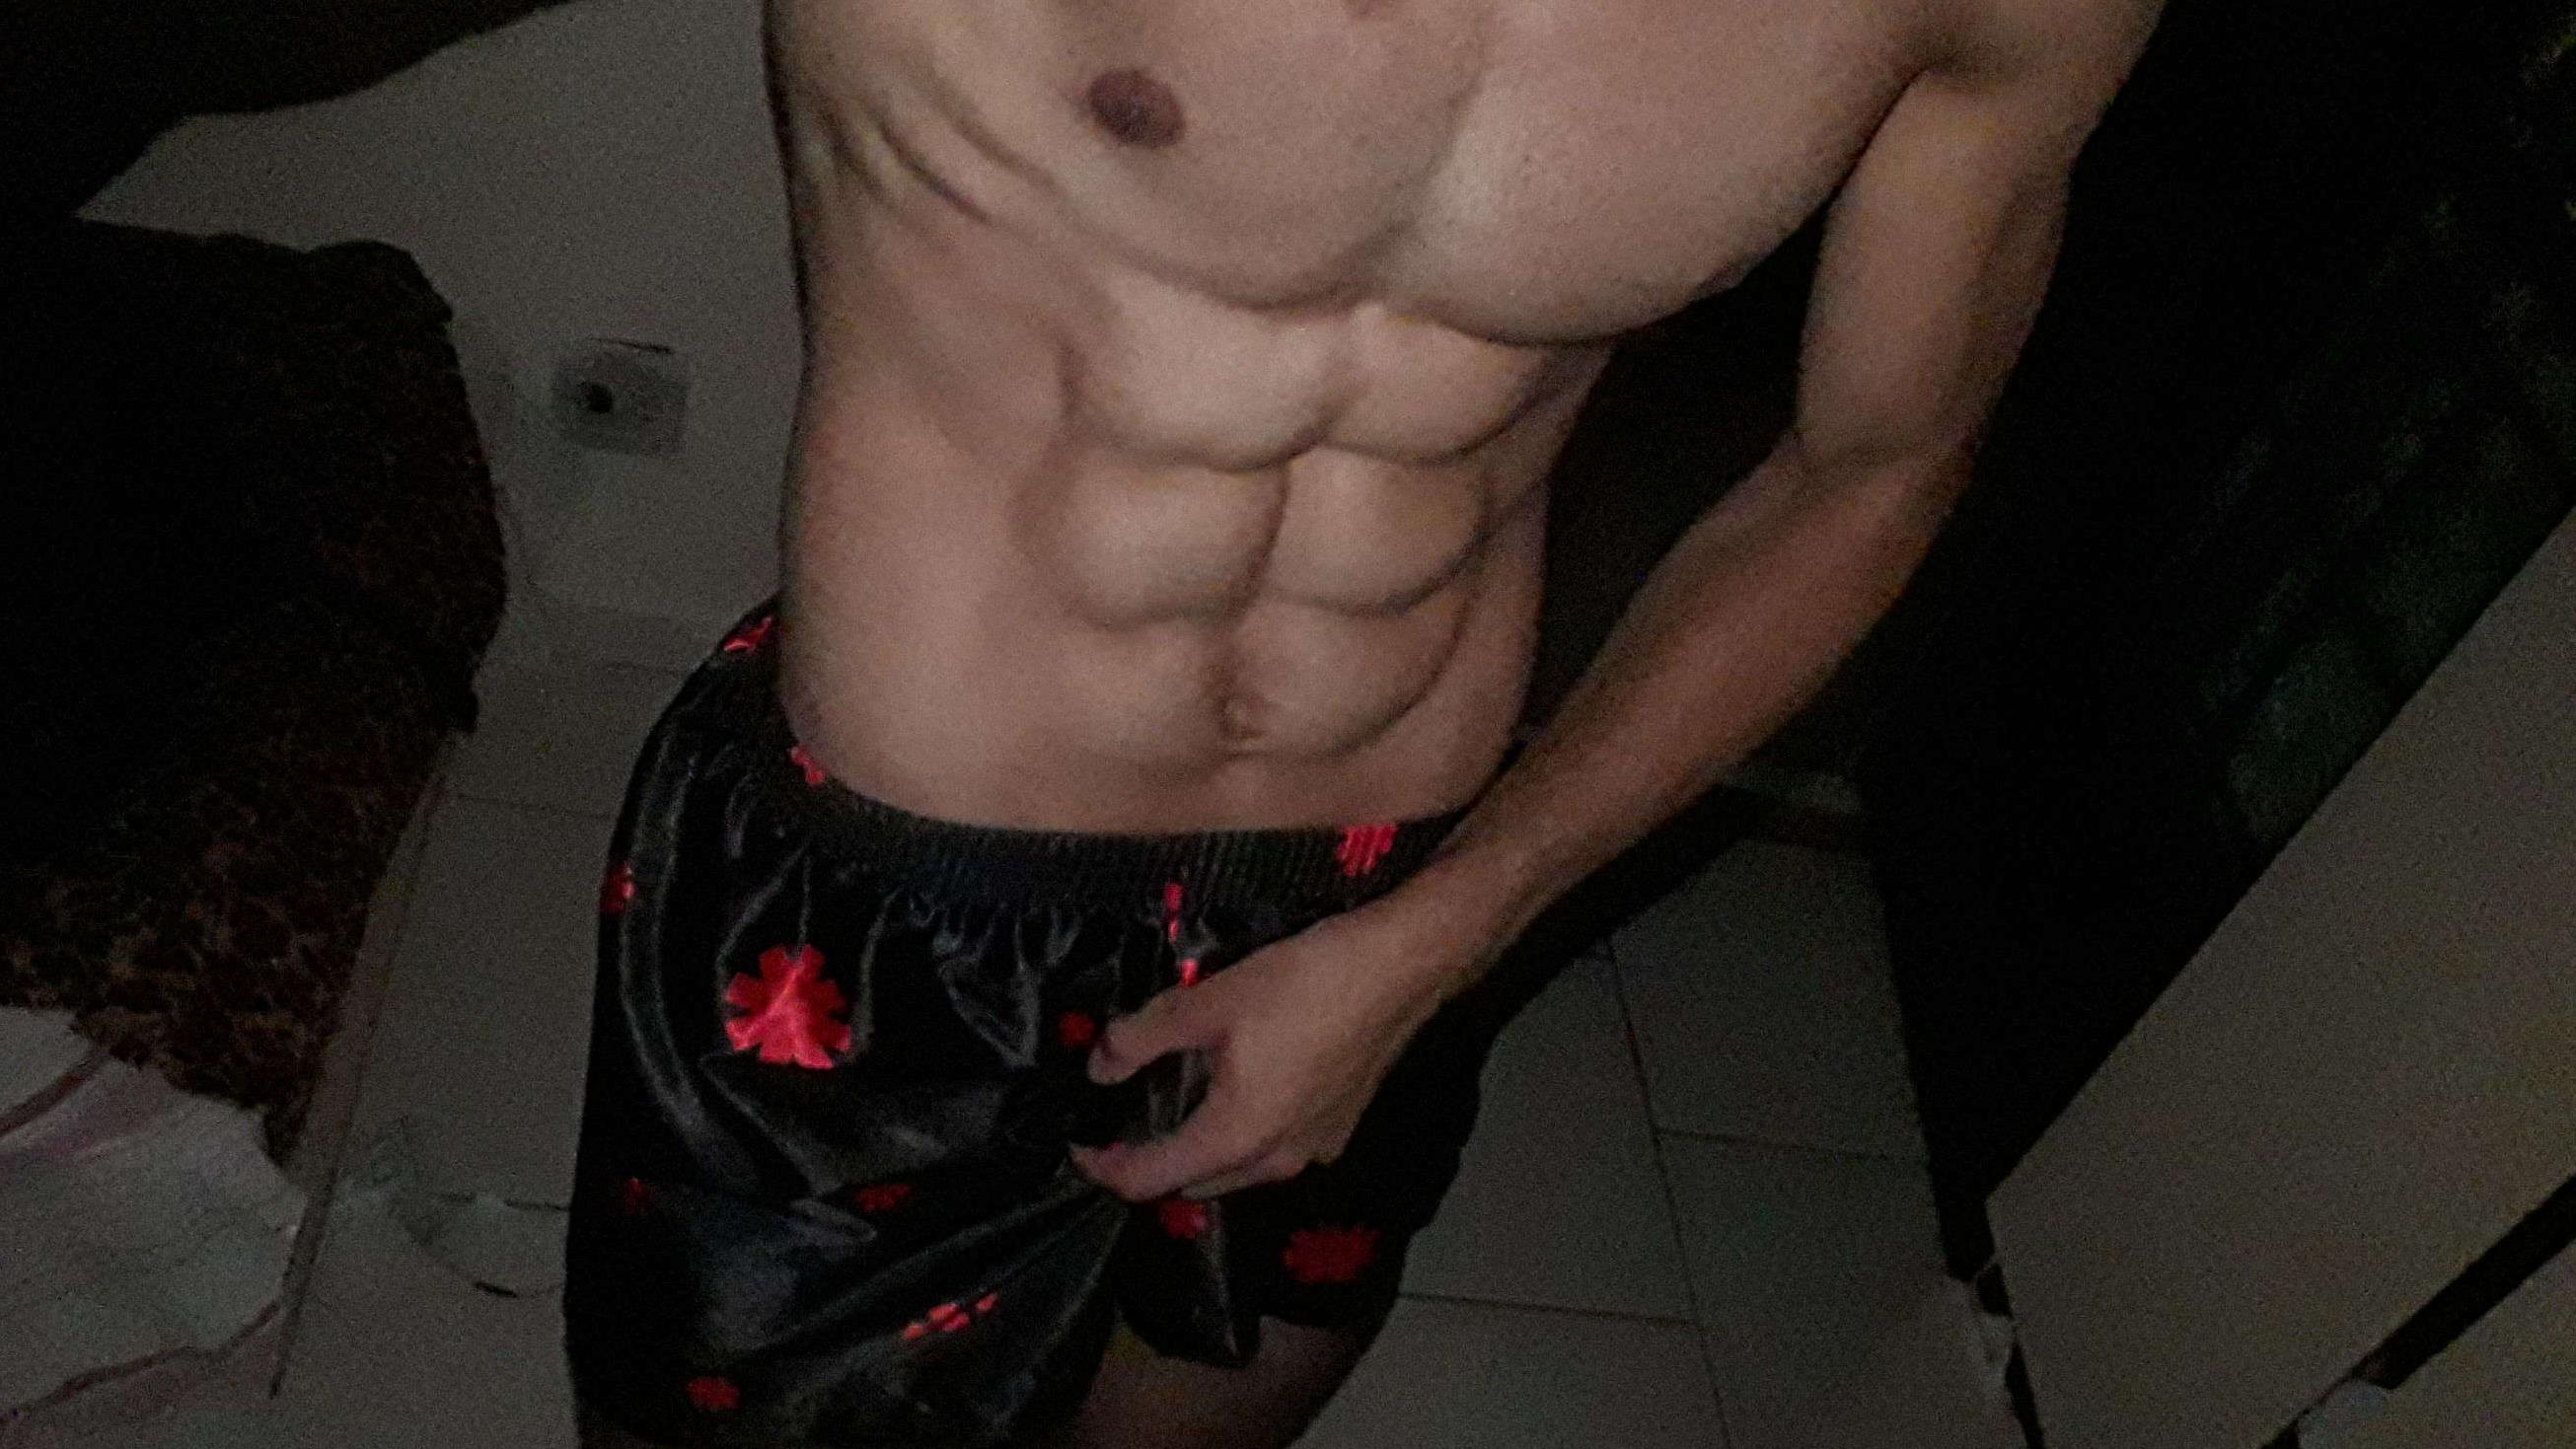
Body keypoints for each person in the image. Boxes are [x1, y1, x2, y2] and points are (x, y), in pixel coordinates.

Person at [563, 0, 2161, 1442]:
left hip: (1383, 891)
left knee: (1213, 1386)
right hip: (890, 894)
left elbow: (1870, 473)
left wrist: (1448, 929)